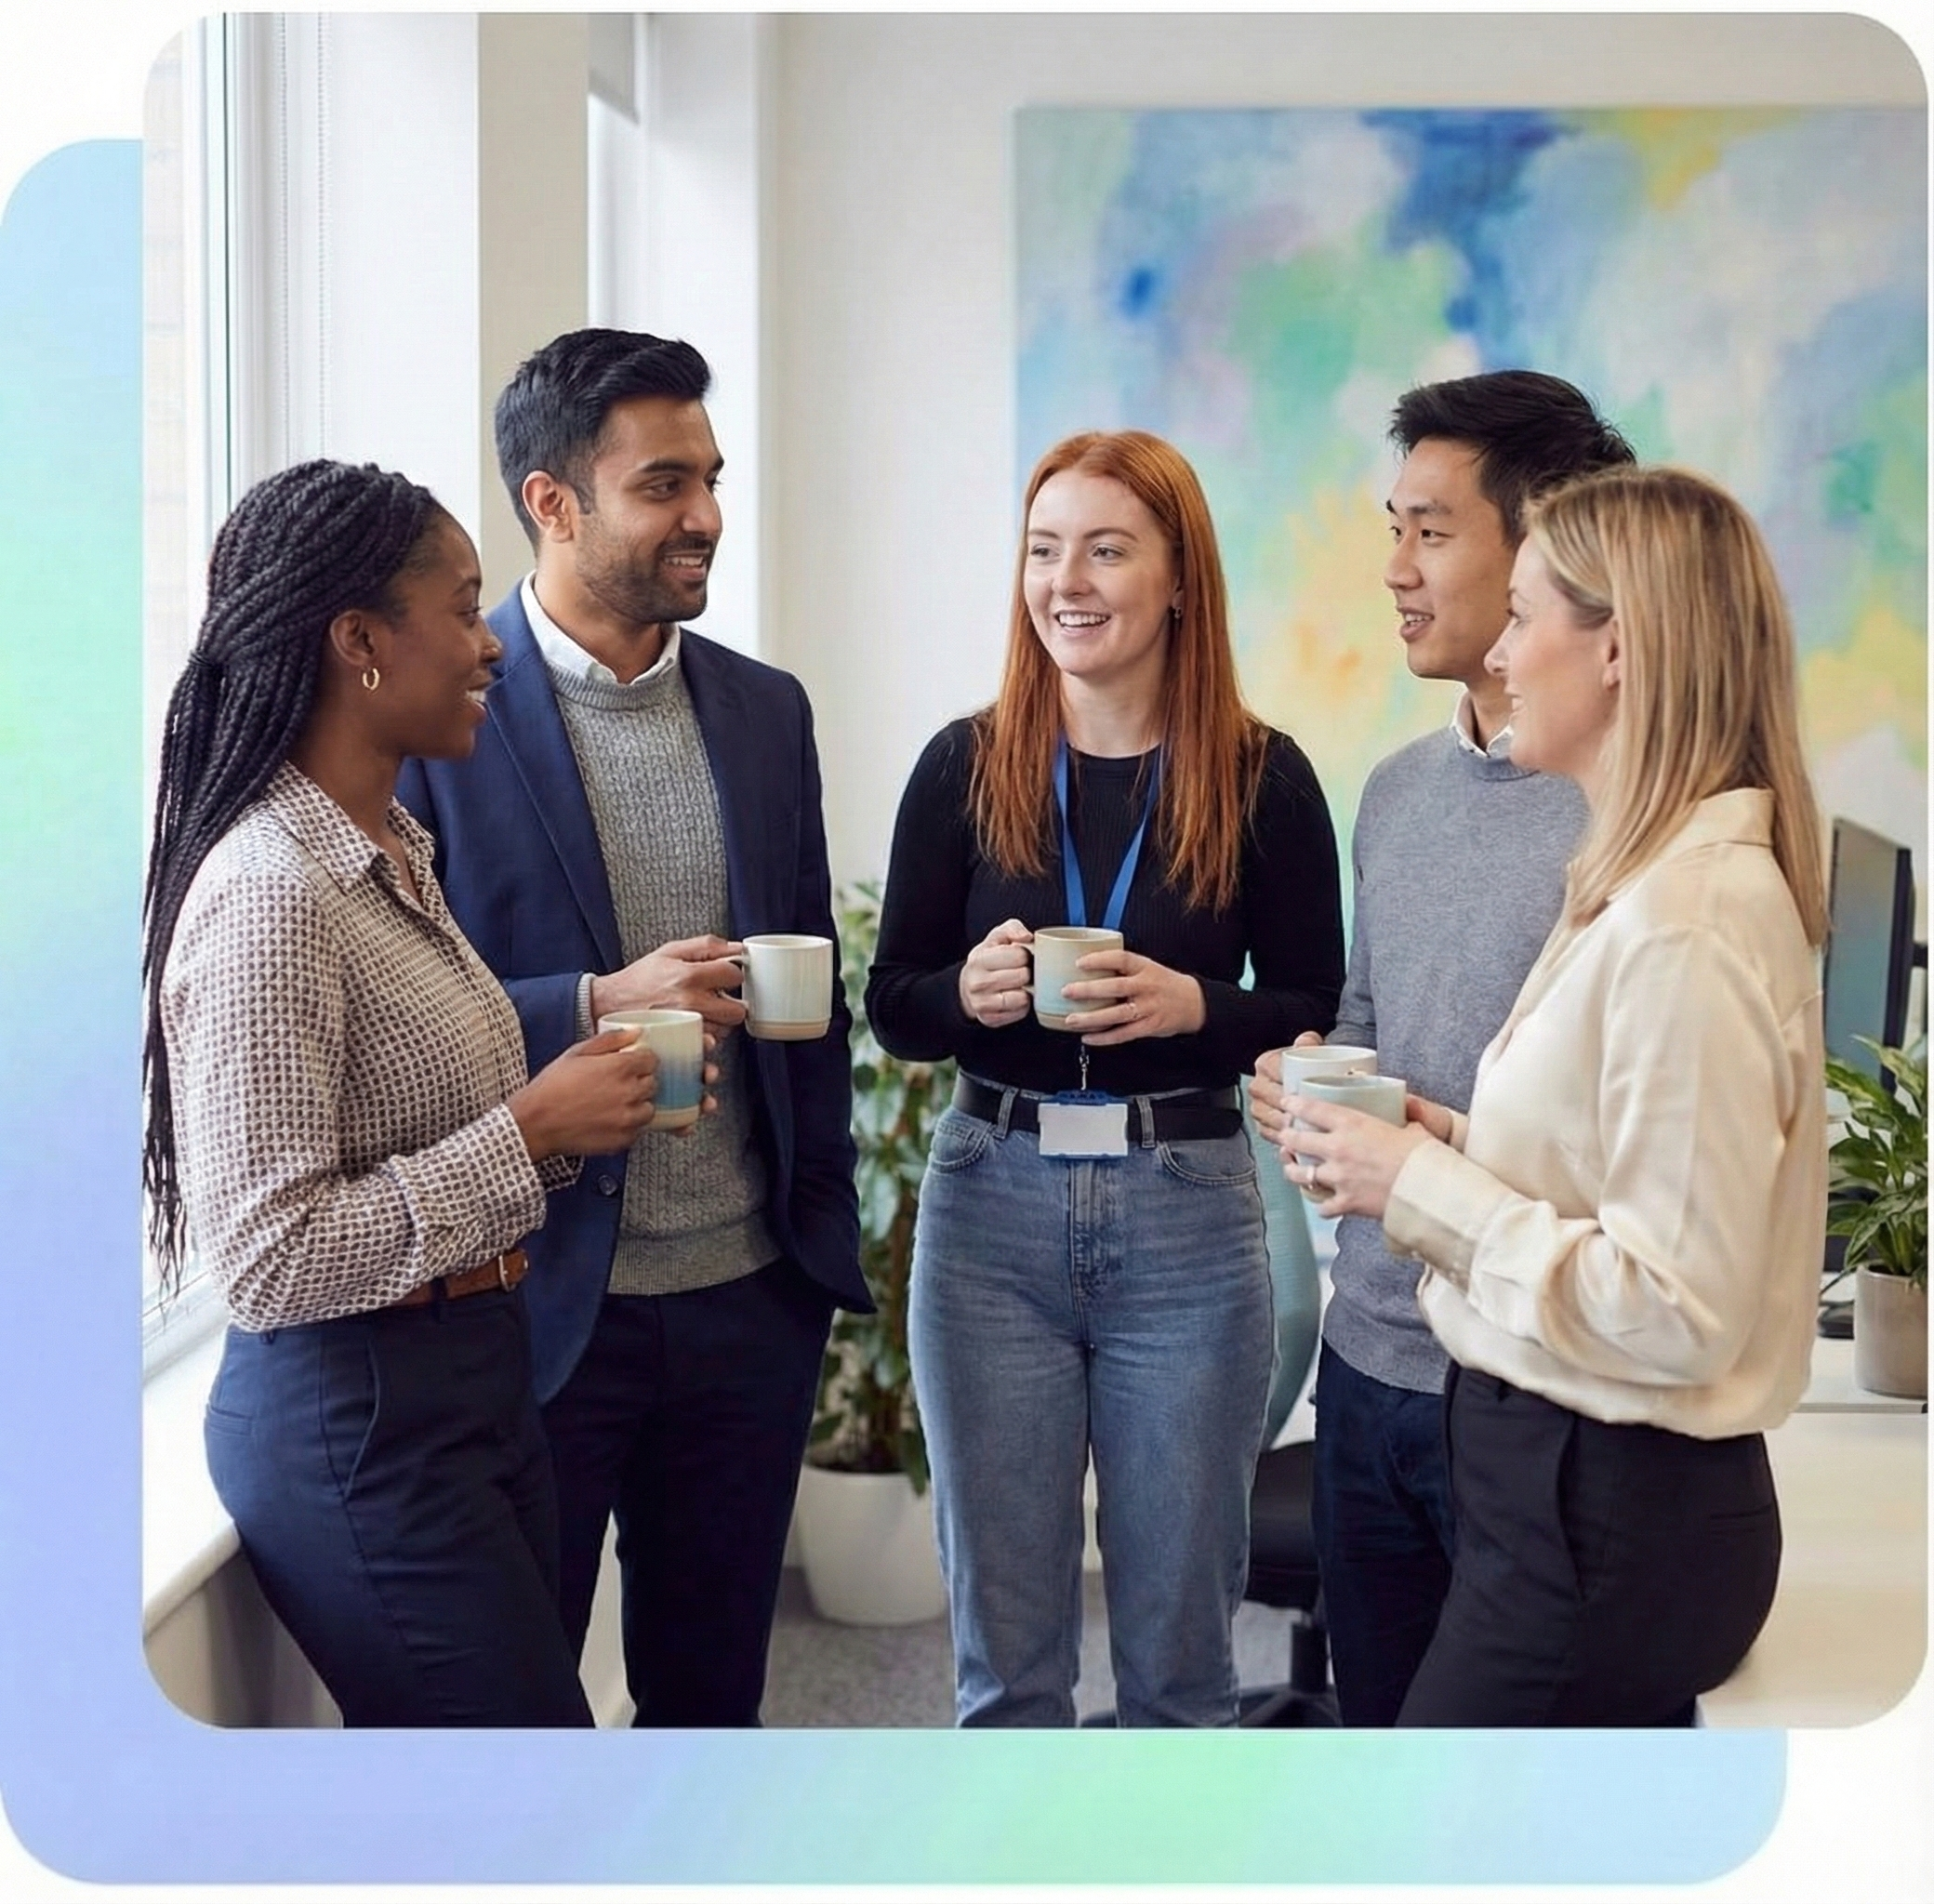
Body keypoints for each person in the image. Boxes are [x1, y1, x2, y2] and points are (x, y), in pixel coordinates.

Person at [1281, 464, 1827, 1726]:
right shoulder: (1644, 886)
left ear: (1621, 648)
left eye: (1527, 619)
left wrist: (1418, 1186)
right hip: (1561, 1487)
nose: (1506, 658)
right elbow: (1611, 1174)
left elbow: (1676, 1307)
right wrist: (1448, 1141)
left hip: (1610, 1510)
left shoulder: (1686, 924)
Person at [395, 328, 867, 1728]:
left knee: (712, 1709)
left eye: (710, 479)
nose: (707, 515)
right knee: (522, 1720)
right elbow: (405, 1014)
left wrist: (807, 1255)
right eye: (665, 484)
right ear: (553, 502)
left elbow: (814, 992)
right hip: (538, 1307)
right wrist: (591, 1010)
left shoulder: (767, 713)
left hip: (745, 1308)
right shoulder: (436, 719)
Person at [143, 459, 662, 1726]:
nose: (490, 643)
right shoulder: (273, 894)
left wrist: (557, 1104)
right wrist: (531, 1130)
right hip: (358, 1418)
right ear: (361, 643)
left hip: (476, 1379)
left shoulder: (389, 848)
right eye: (463, 605)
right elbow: (267, 1262)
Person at [868, 429, 1345, 1726]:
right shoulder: (965, 767)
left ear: (1180, 578)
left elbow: (1314, 1008)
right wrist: (960, 994)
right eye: (1042, 549)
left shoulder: (1262, 777)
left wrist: (1198, 1005)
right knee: (1007, 1669)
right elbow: (891, 1003)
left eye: (1105, 548)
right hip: (990, 1217)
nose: (1065, 579)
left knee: (1181, 1669)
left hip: (1188, 1215)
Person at [1250, 370, 1634, 1726]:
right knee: (1385, 1770)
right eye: (1391, 528)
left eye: (1430, 530)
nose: (1396, 571)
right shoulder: (1399, 791)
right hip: (1367, 1375)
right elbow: (1369, 1023)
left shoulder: (1630, 814)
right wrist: (1311, 1088)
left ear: (1541, 552)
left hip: (1529, 1392)